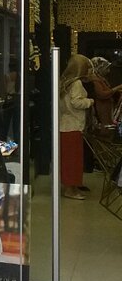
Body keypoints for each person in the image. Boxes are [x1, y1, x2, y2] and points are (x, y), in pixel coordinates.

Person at [59, 54, 94, 201]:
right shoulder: (77, 83)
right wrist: (90, 101)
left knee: (69, 159)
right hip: (73, 126)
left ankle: (71, 186)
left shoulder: (64, 82)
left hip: (65, 124)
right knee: (73, 160)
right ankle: (70, 189)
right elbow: (76, 102)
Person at [84, 56, 122, 126]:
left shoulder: (100, 78)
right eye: (106, 68)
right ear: (100, 68)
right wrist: (117, 88)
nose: (108, 71)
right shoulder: (95, 79)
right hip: (101, 109)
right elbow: (102, 94)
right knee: (104, 127)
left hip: (105, 108)